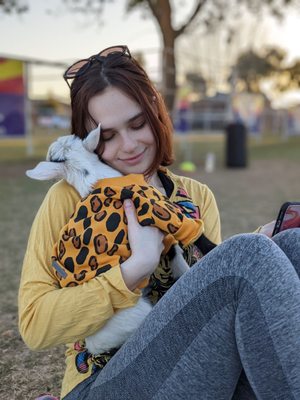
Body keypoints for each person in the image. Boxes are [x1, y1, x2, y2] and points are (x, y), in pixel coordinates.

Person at [19, 45, 300, 400]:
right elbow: (33, 325)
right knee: (250, 254)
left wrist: (254, 253)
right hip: (106, 381)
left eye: (137, 124)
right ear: (87, 142)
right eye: (107, 136)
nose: (129, 145)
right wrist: (132, 271)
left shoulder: (195, 196)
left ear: (155, 110)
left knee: (292, 247)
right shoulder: (68, 198)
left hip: (191, 365)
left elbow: (205, 300)